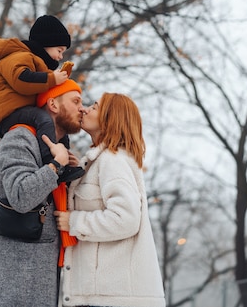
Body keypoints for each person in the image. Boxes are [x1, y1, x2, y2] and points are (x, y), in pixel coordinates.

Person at [0, 80, 85, 307]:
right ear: (53, 104)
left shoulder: (57, 149)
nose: (82, 108)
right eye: (76, 101)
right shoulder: (20, 138)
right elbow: (21, 195)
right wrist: (55, 166)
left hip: (36, 278)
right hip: (11, 279)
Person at [54, 93, 166, 307]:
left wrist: (74, 222)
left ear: (109, 118)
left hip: (112, 298)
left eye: (94, 107)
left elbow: (126, 218)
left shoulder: (112, 160)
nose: (85, 109)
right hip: (105, 296)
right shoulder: (101, 160)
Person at [0, 14, 84, 183]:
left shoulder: (37, 62)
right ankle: (50, 160)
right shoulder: (20, 55)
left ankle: (65, 161)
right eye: (59, 51)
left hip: (21, 108)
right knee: (43, 118)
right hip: (7, 111)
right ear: (46, 43)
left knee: (58, 123)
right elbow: (21, 79)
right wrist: (52, 79)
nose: (60, 57)